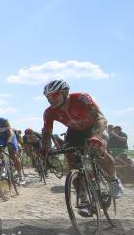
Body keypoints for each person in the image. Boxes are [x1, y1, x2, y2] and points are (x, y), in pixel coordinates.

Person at [40, 79, 123, 207]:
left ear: (65, 92)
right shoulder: (49, 112)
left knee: (99, 150)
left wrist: (97, 136)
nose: (51, 99)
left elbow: (100, 118)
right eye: (48, 97)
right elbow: (46, 133)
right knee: (71, 159)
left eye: (55, 95)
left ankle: (113, 180)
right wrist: (45, 149)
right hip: (74, 132)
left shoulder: (80, 98)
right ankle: (82, 196)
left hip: (94, 127)